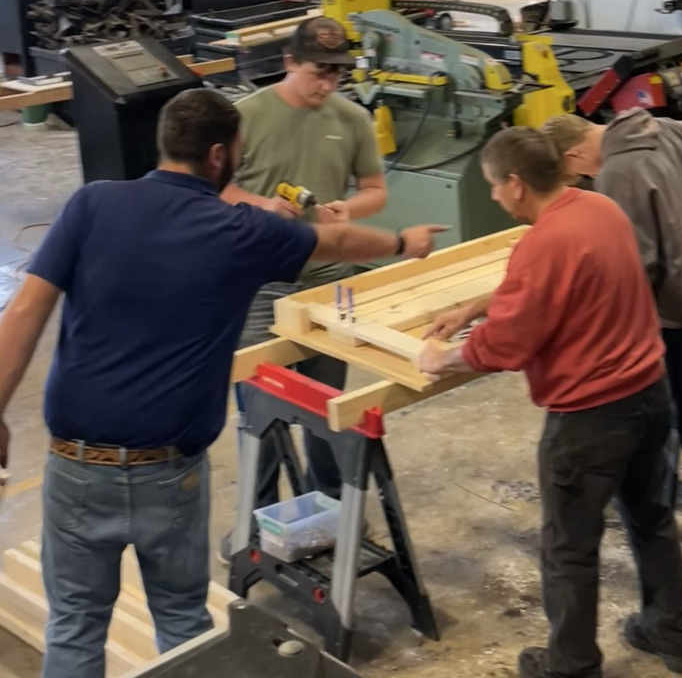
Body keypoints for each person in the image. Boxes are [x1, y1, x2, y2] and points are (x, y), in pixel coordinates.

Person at [0, 88, 444, 678]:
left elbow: (24, 314)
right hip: (169, 471)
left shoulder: (92, 204)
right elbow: (335, 241)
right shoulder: (242, 233)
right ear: (218, 156)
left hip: (77, 468)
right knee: (184, 623)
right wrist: (402, 244)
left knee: (75, 626)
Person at [419, 128, 682, 678]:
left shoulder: (543, 243)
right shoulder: (598, 208)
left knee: (569, 546)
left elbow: (504, 346)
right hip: (649, 395)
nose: (496, 197)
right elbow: (555, 281)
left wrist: (442, 358)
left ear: (518, 185)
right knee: (652, 520)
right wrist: (473, 305)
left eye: (496, 188)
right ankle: (674, 636)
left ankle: (571, 664)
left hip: (591, 416)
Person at [543, 110, 682, 579]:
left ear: (574, 154)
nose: (584, 179)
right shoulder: (660, 127)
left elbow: (638, 266)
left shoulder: (618, 172)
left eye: (577, 173)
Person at [219, 16, 387, 557]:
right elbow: (213, 189)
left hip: (327, 282)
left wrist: (348, 209)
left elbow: (375, 189)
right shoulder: (245, 116)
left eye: (339, 73)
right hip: (258, 283)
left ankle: (332, 514)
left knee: (325, 409)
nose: (329, 84)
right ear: (289, 62)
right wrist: (262, 206)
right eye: (320, 72)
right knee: (259, 412)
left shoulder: (352, 118)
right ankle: (254, 523)